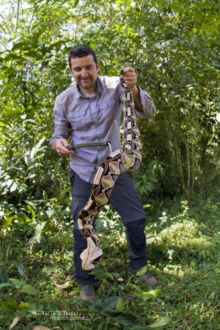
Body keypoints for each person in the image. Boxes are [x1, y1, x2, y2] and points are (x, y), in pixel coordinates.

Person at [50, 44, 157, 302]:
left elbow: (149, 112)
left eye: (88, 67)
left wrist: (132, 87)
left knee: (135, 219)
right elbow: (58, 134)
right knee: (83, 226)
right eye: (78, 69)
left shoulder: (115, 87)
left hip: (113, 166)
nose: (83, 73)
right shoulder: (64, 100)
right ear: (71, 71)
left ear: (97, 66)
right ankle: (85, 280)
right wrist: (58, 144)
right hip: (83, 168)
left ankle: (138, 266)